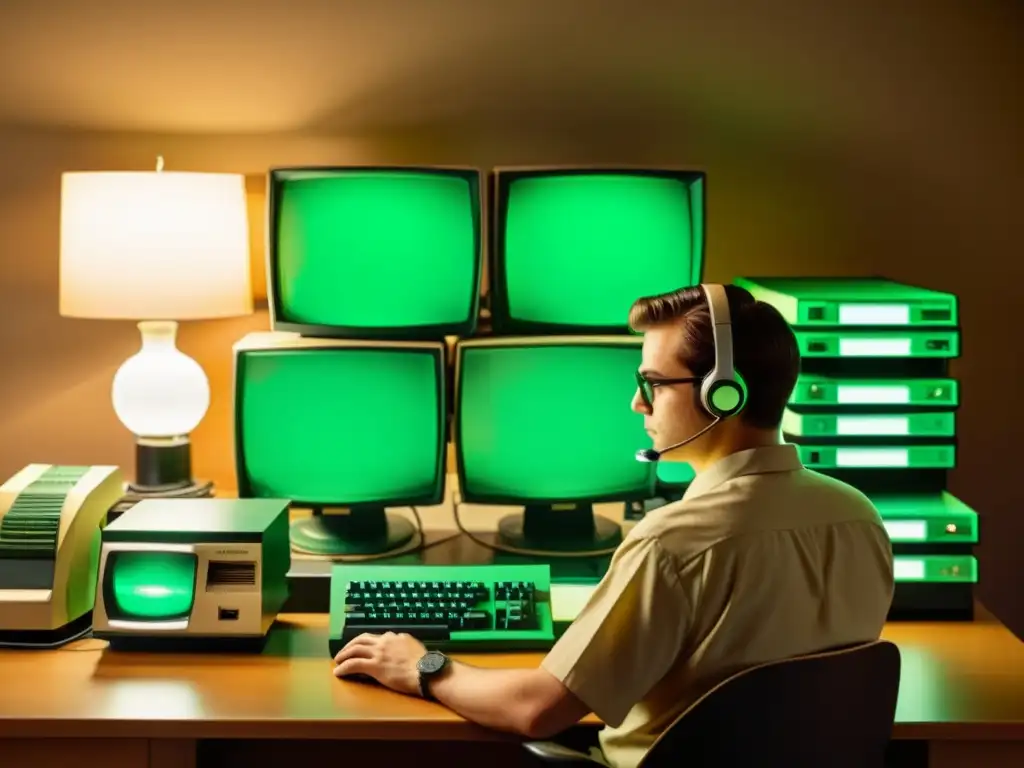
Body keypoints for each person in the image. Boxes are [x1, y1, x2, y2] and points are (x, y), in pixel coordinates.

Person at [331, 284, 895, 768]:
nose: (636, 403)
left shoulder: (673, 543)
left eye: (653, 383)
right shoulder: (860, 517)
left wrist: (422, 665)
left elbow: (537, 708)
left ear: (722, 393)